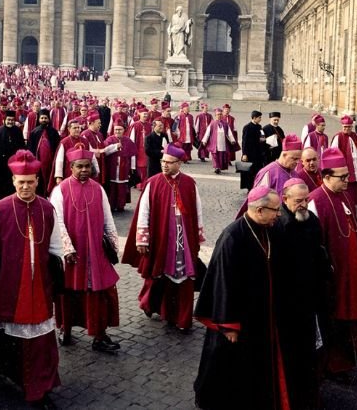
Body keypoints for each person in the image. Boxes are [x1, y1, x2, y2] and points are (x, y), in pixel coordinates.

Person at [0, 150, 62, 408]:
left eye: (30, 181)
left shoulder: (47, 208)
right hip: (8, 286)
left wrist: (58, 280)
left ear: (37, 181)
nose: (25, 187)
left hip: (39, 286)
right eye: (21, 182)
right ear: (13, 181)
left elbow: (56, 248)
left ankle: (39, 385)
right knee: (0, 330)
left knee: (39, 338)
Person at [193, 186, 288, 409]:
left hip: (260, 313)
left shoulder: (268, 229)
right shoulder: (232, 236)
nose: (279, 214)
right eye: (275, 210)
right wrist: (229, 325)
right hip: (237, 319)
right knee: (231, 368)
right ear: (260, 210)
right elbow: (222, 281)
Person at [122, 143, 205, 333]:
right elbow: (143, 211)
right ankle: (152, 305)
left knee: (184, 277)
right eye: (163, 162)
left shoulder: (189, 183)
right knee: (158, 273)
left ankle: (182, 317)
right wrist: (142, 239)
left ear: (179, 163)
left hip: (184, 240)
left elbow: (197, 210)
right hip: (161, 238)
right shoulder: (154, 182)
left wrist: (198, 236)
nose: (165, 165)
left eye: (169, 162)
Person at [308, 147, 357, 374]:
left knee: (354, 315)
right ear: (326, 177)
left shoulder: (344, 194)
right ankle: (337, 363)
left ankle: (356, 352)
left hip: (354, 266)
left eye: (348, 175)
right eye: (343, 177)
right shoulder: (315, 201)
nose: (348, 180)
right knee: (337, 318)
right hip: (335, 272)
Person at [49, 148, 121, 353]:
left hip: (96, 252)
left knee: (99, 292)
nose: (83, 170)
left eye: (87, 166)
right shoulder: (60, 190)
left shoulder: (98, 189)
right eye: (79, 166)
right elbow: (57, 222)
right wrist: (67, 248)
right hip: (73, 254)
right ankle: (65, 329)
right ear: (71, 167)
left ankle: (99, 335)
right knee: (69, 294)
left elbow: (108, 219)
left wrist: (113, 247)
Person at [273, 179, 330, 409]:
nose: (304, 204)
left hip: (311, 296)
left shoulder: (312, 220)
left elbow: (319, 253)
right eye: (298, 201)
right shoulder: (279, 225)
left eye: (306, 199)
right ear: (285, 199)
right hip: (289, 301)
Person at [330, 116, 357, 205]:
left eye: (349, 127)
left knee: (355, 183)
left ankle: (354, 201)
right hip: (345, 165)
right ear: (342, 127)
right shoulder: (338, 137)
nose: (347, 129)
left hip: (355, 164)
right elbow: (333, 153)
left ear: (351, 127)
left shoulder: (355, 135)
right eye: (345, 127)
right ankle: (346, 202)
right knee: (346, 183)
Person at [0, 110, 26, 200]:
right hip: (1, 162)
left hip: (14, 162)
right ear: (4, 120)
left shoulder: (18, 131)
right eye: (8, 120)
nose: (10, 122)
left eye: (12, 120)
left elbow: (22, 146)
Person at [103, 122, 137, 212]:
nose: (118, 131)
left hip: (124, 167)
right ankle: (111, 205)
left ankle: (121, 205)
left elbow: (133, 155)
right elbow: (105, 152)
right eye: (116, 129)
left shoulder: (128, 141)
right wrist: (114, 147)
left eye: (120, 129)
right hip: (112, 167)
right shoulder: (109, 140)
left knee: (122, 187)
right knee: (112, 187)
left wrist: (133, 168)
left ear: (123, 130)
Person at [27, 109, 61, 197]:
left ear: (48, 119)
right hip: (38, 162)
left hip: (51, 162)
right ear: (39, 119)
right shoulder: (34, 132)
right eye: (42, 118)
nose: (43, 120)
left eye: (45, 118)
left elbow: (57, 147)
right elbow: (30, 148)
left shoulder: (54, 132)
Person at [199, 108, 238, 174]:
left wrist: (232, 140)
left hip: (223, 143)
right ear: (215, 115)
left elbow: (229, 133)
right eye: (217, 114)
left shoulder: (225, 124)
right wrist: (204, 140)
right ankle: (216, 167)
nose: (219, 116)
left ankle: (219, 167)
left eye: (220, 114)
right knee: (215, 156)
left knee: (221, 156)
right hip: (215, 143)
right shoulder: (212, 123)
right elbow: (207, 133)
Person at [240, 110, 267, 190]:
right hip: (250, 153)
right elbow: (244, 141)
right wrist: (244, 154)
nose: (260, 119)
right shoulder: (247, 127)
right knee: (249, 172)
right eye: (259, 117)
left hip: (258, 153)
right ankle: (249, 187)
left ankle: (256, 186)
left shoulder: (259, 127)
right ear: (254, 118)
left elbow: (262, 138)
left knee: (257, 171)